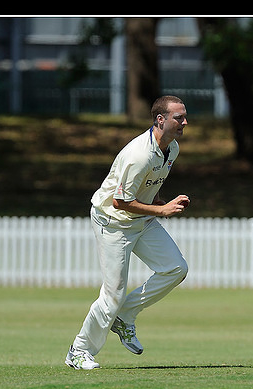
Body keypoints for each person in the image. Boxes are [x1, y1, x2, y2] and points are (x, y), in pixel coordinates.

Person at [65, 96, 190, 370]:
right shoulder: (139, 154)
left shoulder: (173, 148)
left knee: (176, 269)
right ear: (160, 120)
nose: (184, 122)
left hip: (140, 219)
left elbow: (148, 183)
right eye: (178, 118)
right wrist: (163, 211)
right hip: (113, 222)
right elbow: (120, 201)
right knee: (113, 295)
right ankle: (79, 351)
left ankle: (125, 316)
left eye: (184, 117)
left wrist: (157, 200)